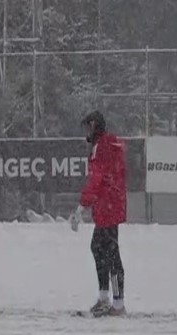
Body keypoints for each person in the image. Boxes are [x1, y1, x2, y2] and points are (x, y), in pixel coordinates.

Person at [75, 110, 128, 317]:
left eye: (88, 127)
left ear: (95, 126)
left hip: (107, 207)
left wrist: (82, 205)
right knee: (101, 249)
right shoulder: (112, 145)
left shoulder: (101, 148)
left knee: (108, 253)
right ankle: (108, 299)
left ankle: (116, 303)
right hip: (112, 205)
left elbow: (96, 180)